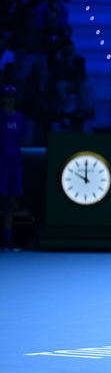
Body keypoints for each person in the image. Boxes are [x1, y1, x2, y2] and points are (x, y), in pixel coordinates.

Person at [0, 85, 25, 252]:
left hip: (15, 163)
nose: (11, 99)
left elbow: (21, 138)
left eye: (13, 96)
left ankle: (7, 239)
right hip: (1, 163)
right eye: (8, 96)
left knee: (10, 201)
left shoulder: (20, 118)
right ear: (2, 98)